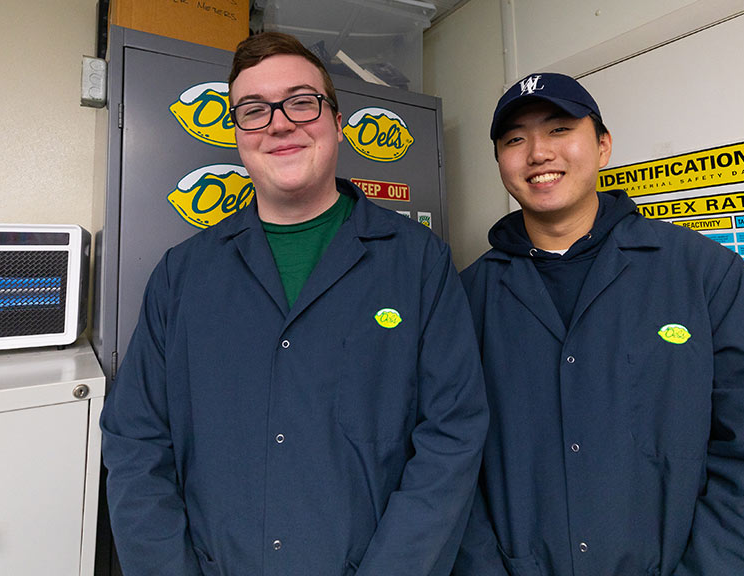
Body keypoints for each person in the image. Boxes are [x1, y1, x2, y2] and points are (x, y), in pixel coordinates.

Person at [101, 32, 488, 576]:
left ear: (335, 119)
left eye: (301, 102)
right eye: (254, 110)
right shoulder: (182, 275)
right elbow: (136, 445)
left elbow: (451, 439)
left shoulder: (419, 265)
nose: (279, 123)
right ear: (237, 133)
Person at [454, 72, 744, 576]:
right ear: (500, 162)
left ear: (603, 146)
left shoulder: (703, 274)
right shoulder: (467, 297)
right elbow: (451, 459)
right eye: (515, 139)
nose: (538, 152)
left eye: (559, 129)